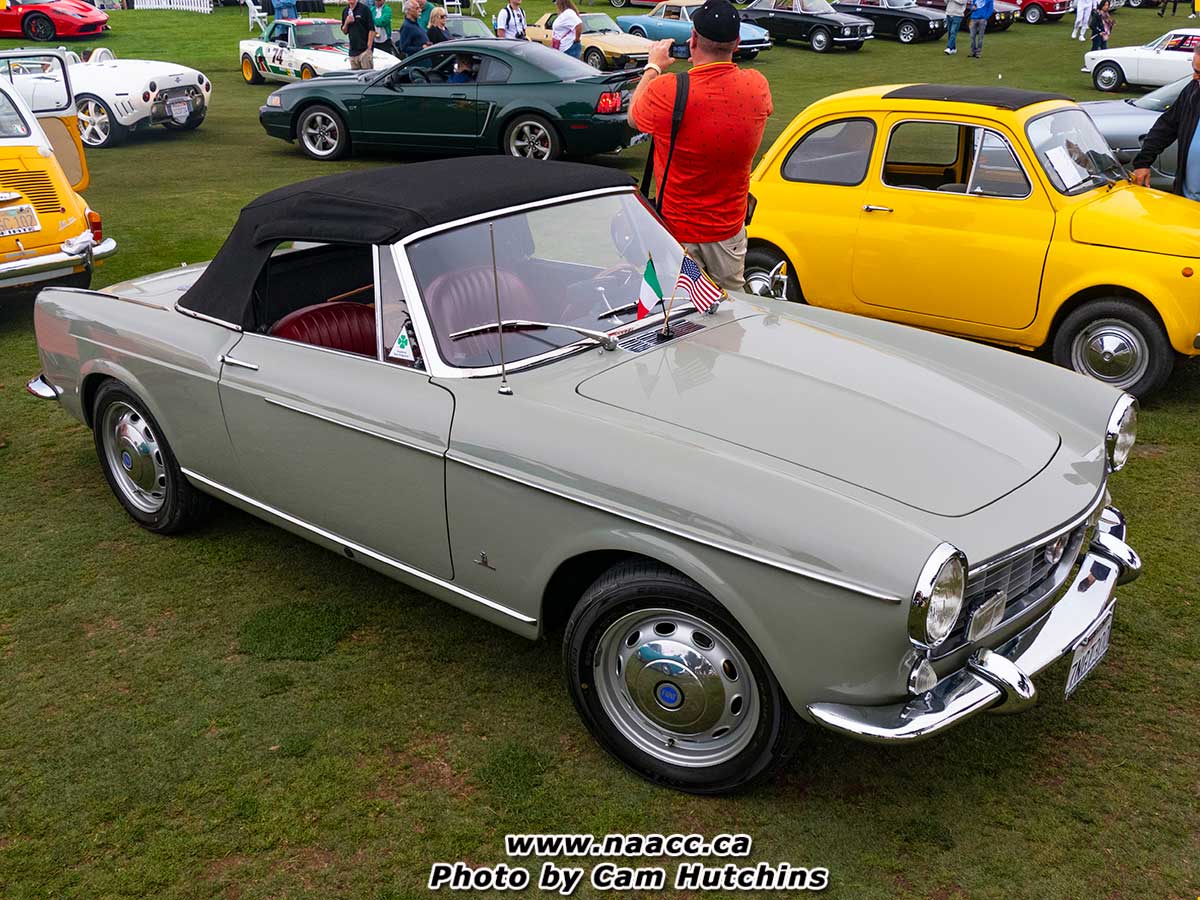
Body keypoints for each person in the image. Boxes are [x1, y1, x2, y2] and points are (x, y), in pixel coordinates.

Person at [628, 0, 772, 291]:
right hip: (728, 233)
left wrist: (653, 66)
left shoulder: (668, 90)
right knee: (730, 314)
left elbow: (634, 116)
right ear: (737, 43)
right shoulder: (756, 87)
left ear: (692, 40)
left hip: (678, 233)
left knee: (675, 316)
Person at [1131, 47, 1200, 198]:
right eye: (1194, 70)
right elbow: (1167, 126)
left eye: (1199, 73)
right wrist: (1143, 163)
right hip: (1189, 201)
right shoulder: (1193, 91)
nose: (1194, 77)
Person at [341, 0, 375, 69]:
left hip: (364, 51)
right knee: (355, 78)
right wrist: (346, 23)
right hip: (352, 52)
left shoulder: (364, 9)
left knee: (367, 77)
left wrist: (368, 48)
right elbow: (344, 31)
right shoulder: (345, 11)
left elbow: (372, 29)